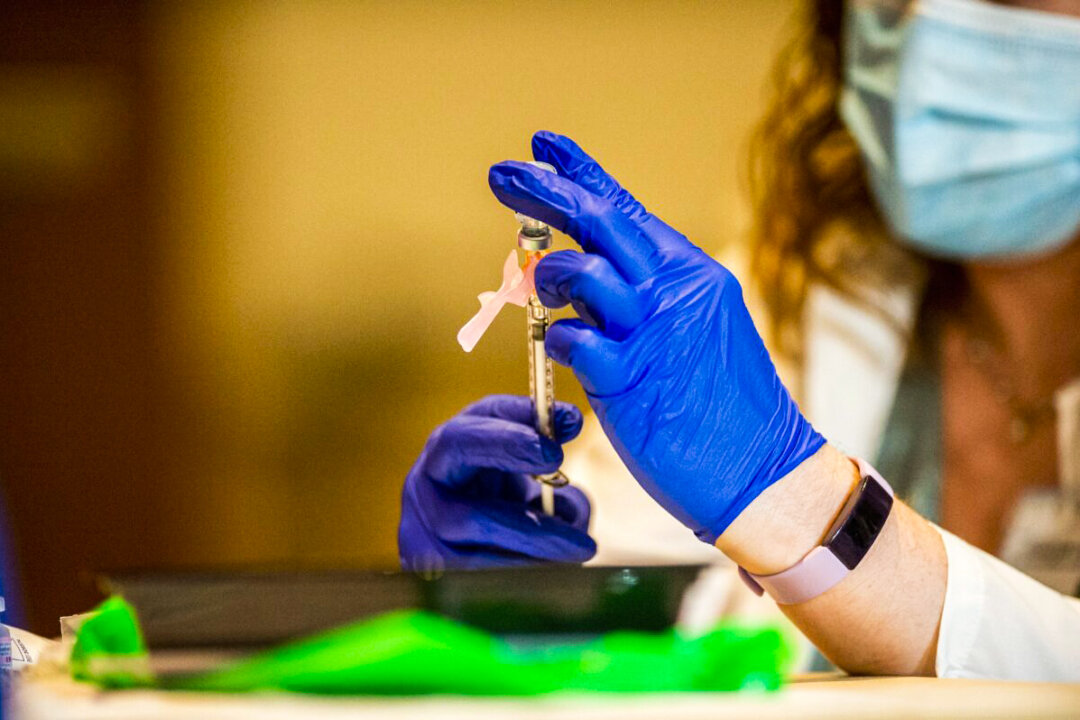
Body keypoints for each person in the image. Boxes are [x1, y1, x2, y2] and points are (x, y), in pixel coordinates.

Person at [398, 0, 1080, 681]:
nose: (930, 19)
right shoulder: (791, 295)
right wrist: (523, 614)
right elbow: (637, 606)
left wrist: (802, 502)